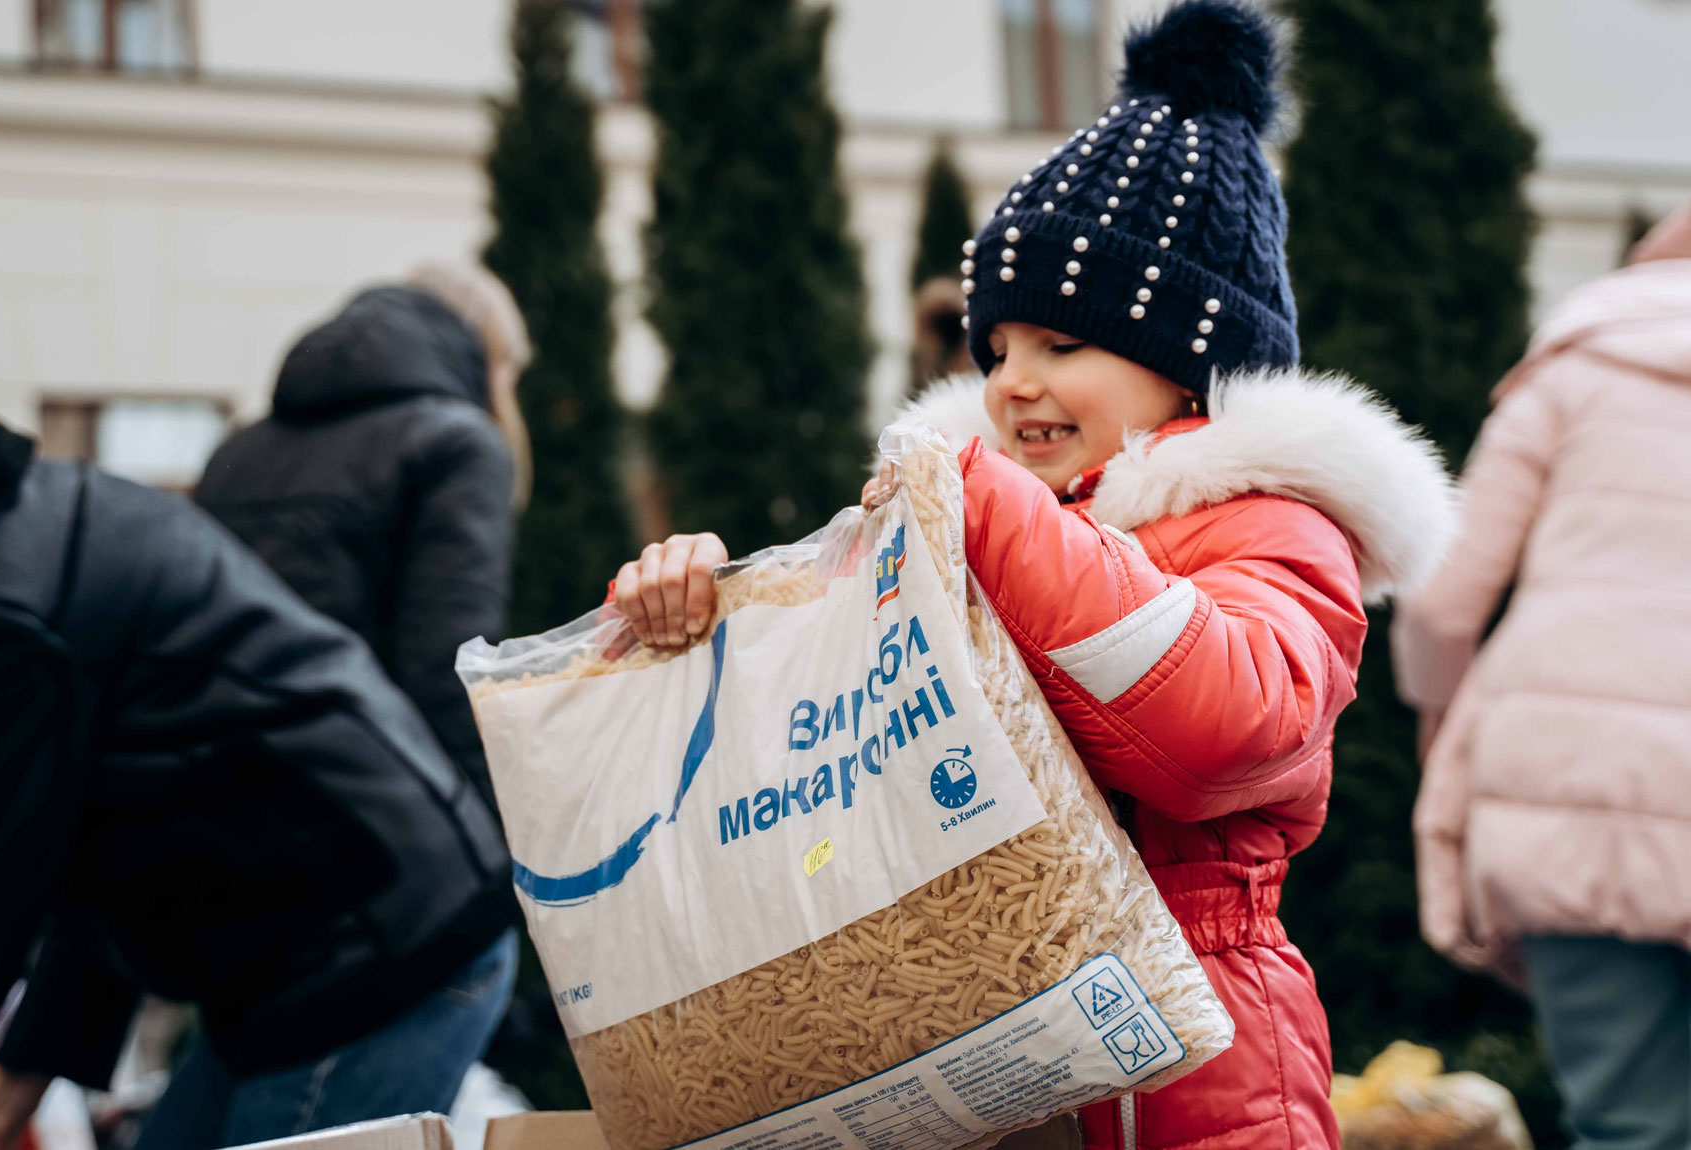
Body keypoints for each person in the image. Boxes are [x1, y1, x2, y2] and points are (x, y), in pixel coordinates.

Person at [611, 5, 1456, 1147]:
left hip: (1197, 1073)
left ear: (1192, 366)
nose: (1012, 382)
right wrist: (705, 623)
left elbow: (1229, 727)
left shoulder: (1268, 527)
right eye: (996, 346)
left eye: (1064, 344)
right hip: (985, 1058)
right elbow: (815, 759)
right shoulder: (971, 515)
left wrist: (984, 505)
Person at [0, 402, 517, 1150]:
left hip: (375, 951)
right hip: (300, 953)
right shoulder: (39, 530)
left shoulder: (9, 610)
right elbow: (85, 850)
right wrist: (17, 1087)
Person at [1400, 204, 1691, 1150]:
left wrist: (1440, 726)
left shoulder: (1576, 365)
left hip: (1567, 778)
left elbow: (1441, 602)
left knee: (1629, 1125)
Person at [196, 262, 531, 811]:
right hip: (369, 809)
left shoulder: (237, 449)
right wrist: (486, 836)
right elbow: (447, 674)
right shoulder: (458, 445)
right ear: (491, 358)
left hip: (217, 792)